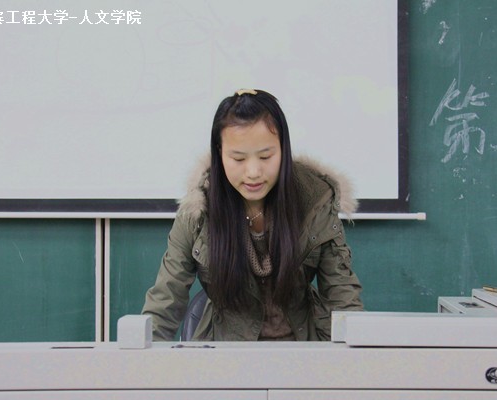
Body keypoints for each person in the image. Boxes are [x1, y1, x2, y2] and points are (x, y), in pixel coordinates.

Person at [142, 89, 363, 341]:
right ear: (219, 153)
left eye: (266, 156)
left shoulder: (316, 200)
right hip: (226, 352)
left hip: (303, 350)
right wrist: (145, 359)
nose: (253, 172)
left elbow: (342, 297)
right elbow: (165, 300)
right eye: (238, 159)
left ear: (284, 149)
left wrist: (352, 357)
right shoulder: (198, 209)